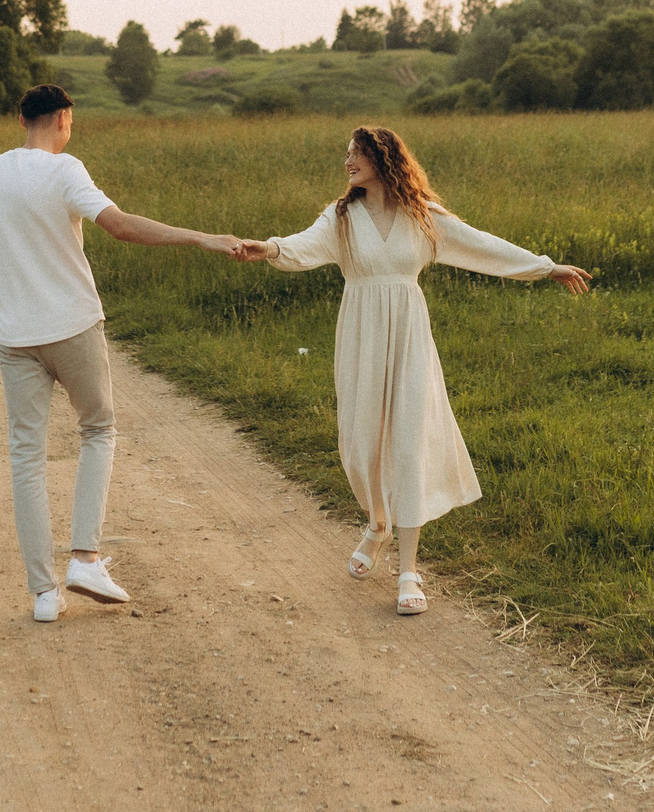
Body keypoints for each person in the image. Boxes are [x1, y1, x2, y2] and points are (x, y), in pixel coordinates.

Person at [235, 126, 590, 615]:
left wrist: (545, 268)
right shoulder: (340, 217)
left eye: (355, 154)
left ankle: (408, 569)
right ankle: (377, 524)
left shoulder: (423, 217)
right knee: (362, 445)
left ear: (382, 159)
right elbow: (304, 246)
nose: (347, 163)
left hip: (409, 337)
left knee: (406, 443)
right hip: (361, 335)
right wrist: (268, 248)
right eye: (346, 155)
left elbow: (480, 245)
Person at [0, 83, 250, 621]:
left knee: (26, 455)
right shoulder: (66, 169)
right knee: (97, 429)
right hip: (72, 326)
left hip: (15, 335)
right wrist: (202, 237)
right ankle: (85, 558)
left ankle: (45, 594)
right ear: (64, 118)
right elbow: (119, 227)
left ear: (21, 119)